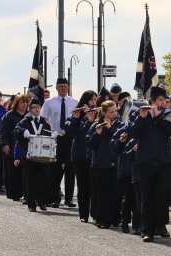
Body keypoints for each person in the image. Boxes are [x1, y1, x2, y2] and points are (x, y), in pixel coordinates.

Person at [128, 86, 171, 243]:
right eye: (160, 100)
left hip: (164, 161)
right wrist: (142, 118)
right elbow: (133, 134)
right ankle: (147, 229)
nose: (163, 103)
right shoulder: (138, 113)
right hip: (145, 161)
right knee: (147, 196)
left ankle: (161, 225)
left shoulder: (169, 114)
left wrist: (158, 117)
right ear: (152, 101)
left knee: (162, 195)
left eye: (165, 100)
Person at [40, 77, 78, 207]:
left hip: (69, 138)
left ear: (68, 87)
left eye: (65, 86)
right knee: (54, 169)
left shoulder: (74, 102)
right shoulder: (49, 103)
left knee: (70, 168)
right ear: (56, 87)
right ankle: (55, 198)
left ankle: (69, 199)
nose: (63, 88)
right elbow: (43, 119)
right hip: (54, 137)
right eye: (61, 86)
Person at [87, 100, 122, 229]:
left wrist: (111, 128)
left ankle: (115, 217)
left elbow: (122, 139)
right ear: (105, 113)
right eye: (112, 112)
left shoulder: (118, 124)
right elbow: (90, 145)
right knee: (102, 193)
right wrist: (97, 134)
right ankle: (101, 219)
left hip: (115, 163)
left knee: (115, 192)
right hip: (100, 164)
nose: (115, 114)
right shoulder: (96, 125)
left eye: (116, 111)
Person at [13, 102, 53, 212]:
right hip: (29, 156)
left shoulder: (44, 122)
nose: (37, 109)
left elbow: (49, 134)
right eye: (34, 107)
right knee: (30, 181)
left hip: (43, 157)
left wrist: (53, 136)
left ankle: (42, 202)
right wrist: (23, 131)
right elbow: (15, 132)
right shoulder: (25, 121)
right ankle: (31, 203)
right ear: (30, 110)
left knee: (45, 179)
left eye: (38, 107)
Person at [65, 90, 98, 223]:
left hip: (94, 155)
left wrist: (92, 118)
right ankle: (83, 214)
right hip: (79, 155)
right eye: (91, 100)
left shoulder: (97, 114)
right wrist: (76, 118)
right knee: (83, 186)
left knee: (94, 186)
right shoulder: (76, 114)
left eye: (95, 100)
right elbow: (72, 132)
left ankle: (95, 213)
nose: (93, 103)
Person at [0, 94, 29, 201]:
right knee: (13, 172)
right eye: (22, 102)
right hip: (12, 146)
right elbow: (4, 131)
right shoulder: (9, 116)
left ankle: (26, 193)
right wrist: (5, 144)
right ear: (17, 103)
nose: (25, 104)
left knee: (25, 172)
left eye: (26, 102)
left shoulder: (29, 115)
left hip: (26, 148)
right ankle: (14, 193)